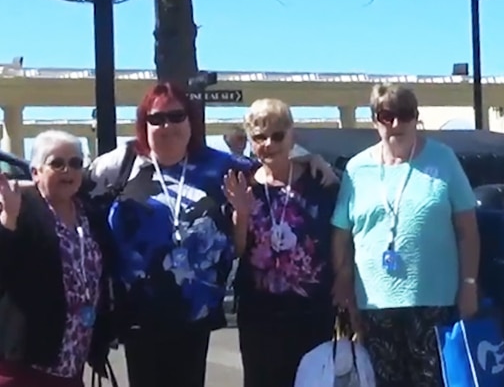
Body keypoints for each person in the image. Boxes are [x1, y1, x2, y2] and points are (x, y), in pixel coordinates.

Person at [84, 82, 338, 387]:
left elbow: (270, 162)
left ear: (191, 121)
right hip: (139, 317)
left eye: (177, 116)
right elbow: (68, 187)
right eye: (157, 118)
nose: (168, 125)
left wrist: (308, 158)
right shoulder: (121, 164)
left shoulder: (219, 166)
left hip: (195, 316)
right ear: (143, 124)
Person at [330, 84, 481, 387]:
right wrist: (344, 282)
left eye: (404, 115)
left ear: (416, 118)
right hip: (374, 304)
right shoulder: (357, 169)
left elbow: (468, 230)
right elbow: (341, 233)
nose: (396, 124)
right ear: (375, 120)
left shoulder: (443, 160)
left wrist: (469, 285)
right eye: (387, 116)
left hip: (435, 302)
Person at [224, 98, 338, 387]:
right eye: (259, 137)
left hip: (312, 311)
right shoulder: (243, 184)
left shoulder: (318, 181)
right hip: (259, 313)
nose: (269, 144)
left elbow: (338, 237)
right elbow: (237, 249)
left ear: (292, 135)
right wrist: (241, 213)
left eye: (277, 135)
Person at [0, 130, 115, 387]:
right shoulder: (19, 210)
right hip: (24, 367)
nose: (68, 171)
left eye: (75, 163)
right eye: (57, 163)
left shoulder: (91, 216)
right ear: (36, 172)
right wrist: (7, 221)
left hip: (72, 366)